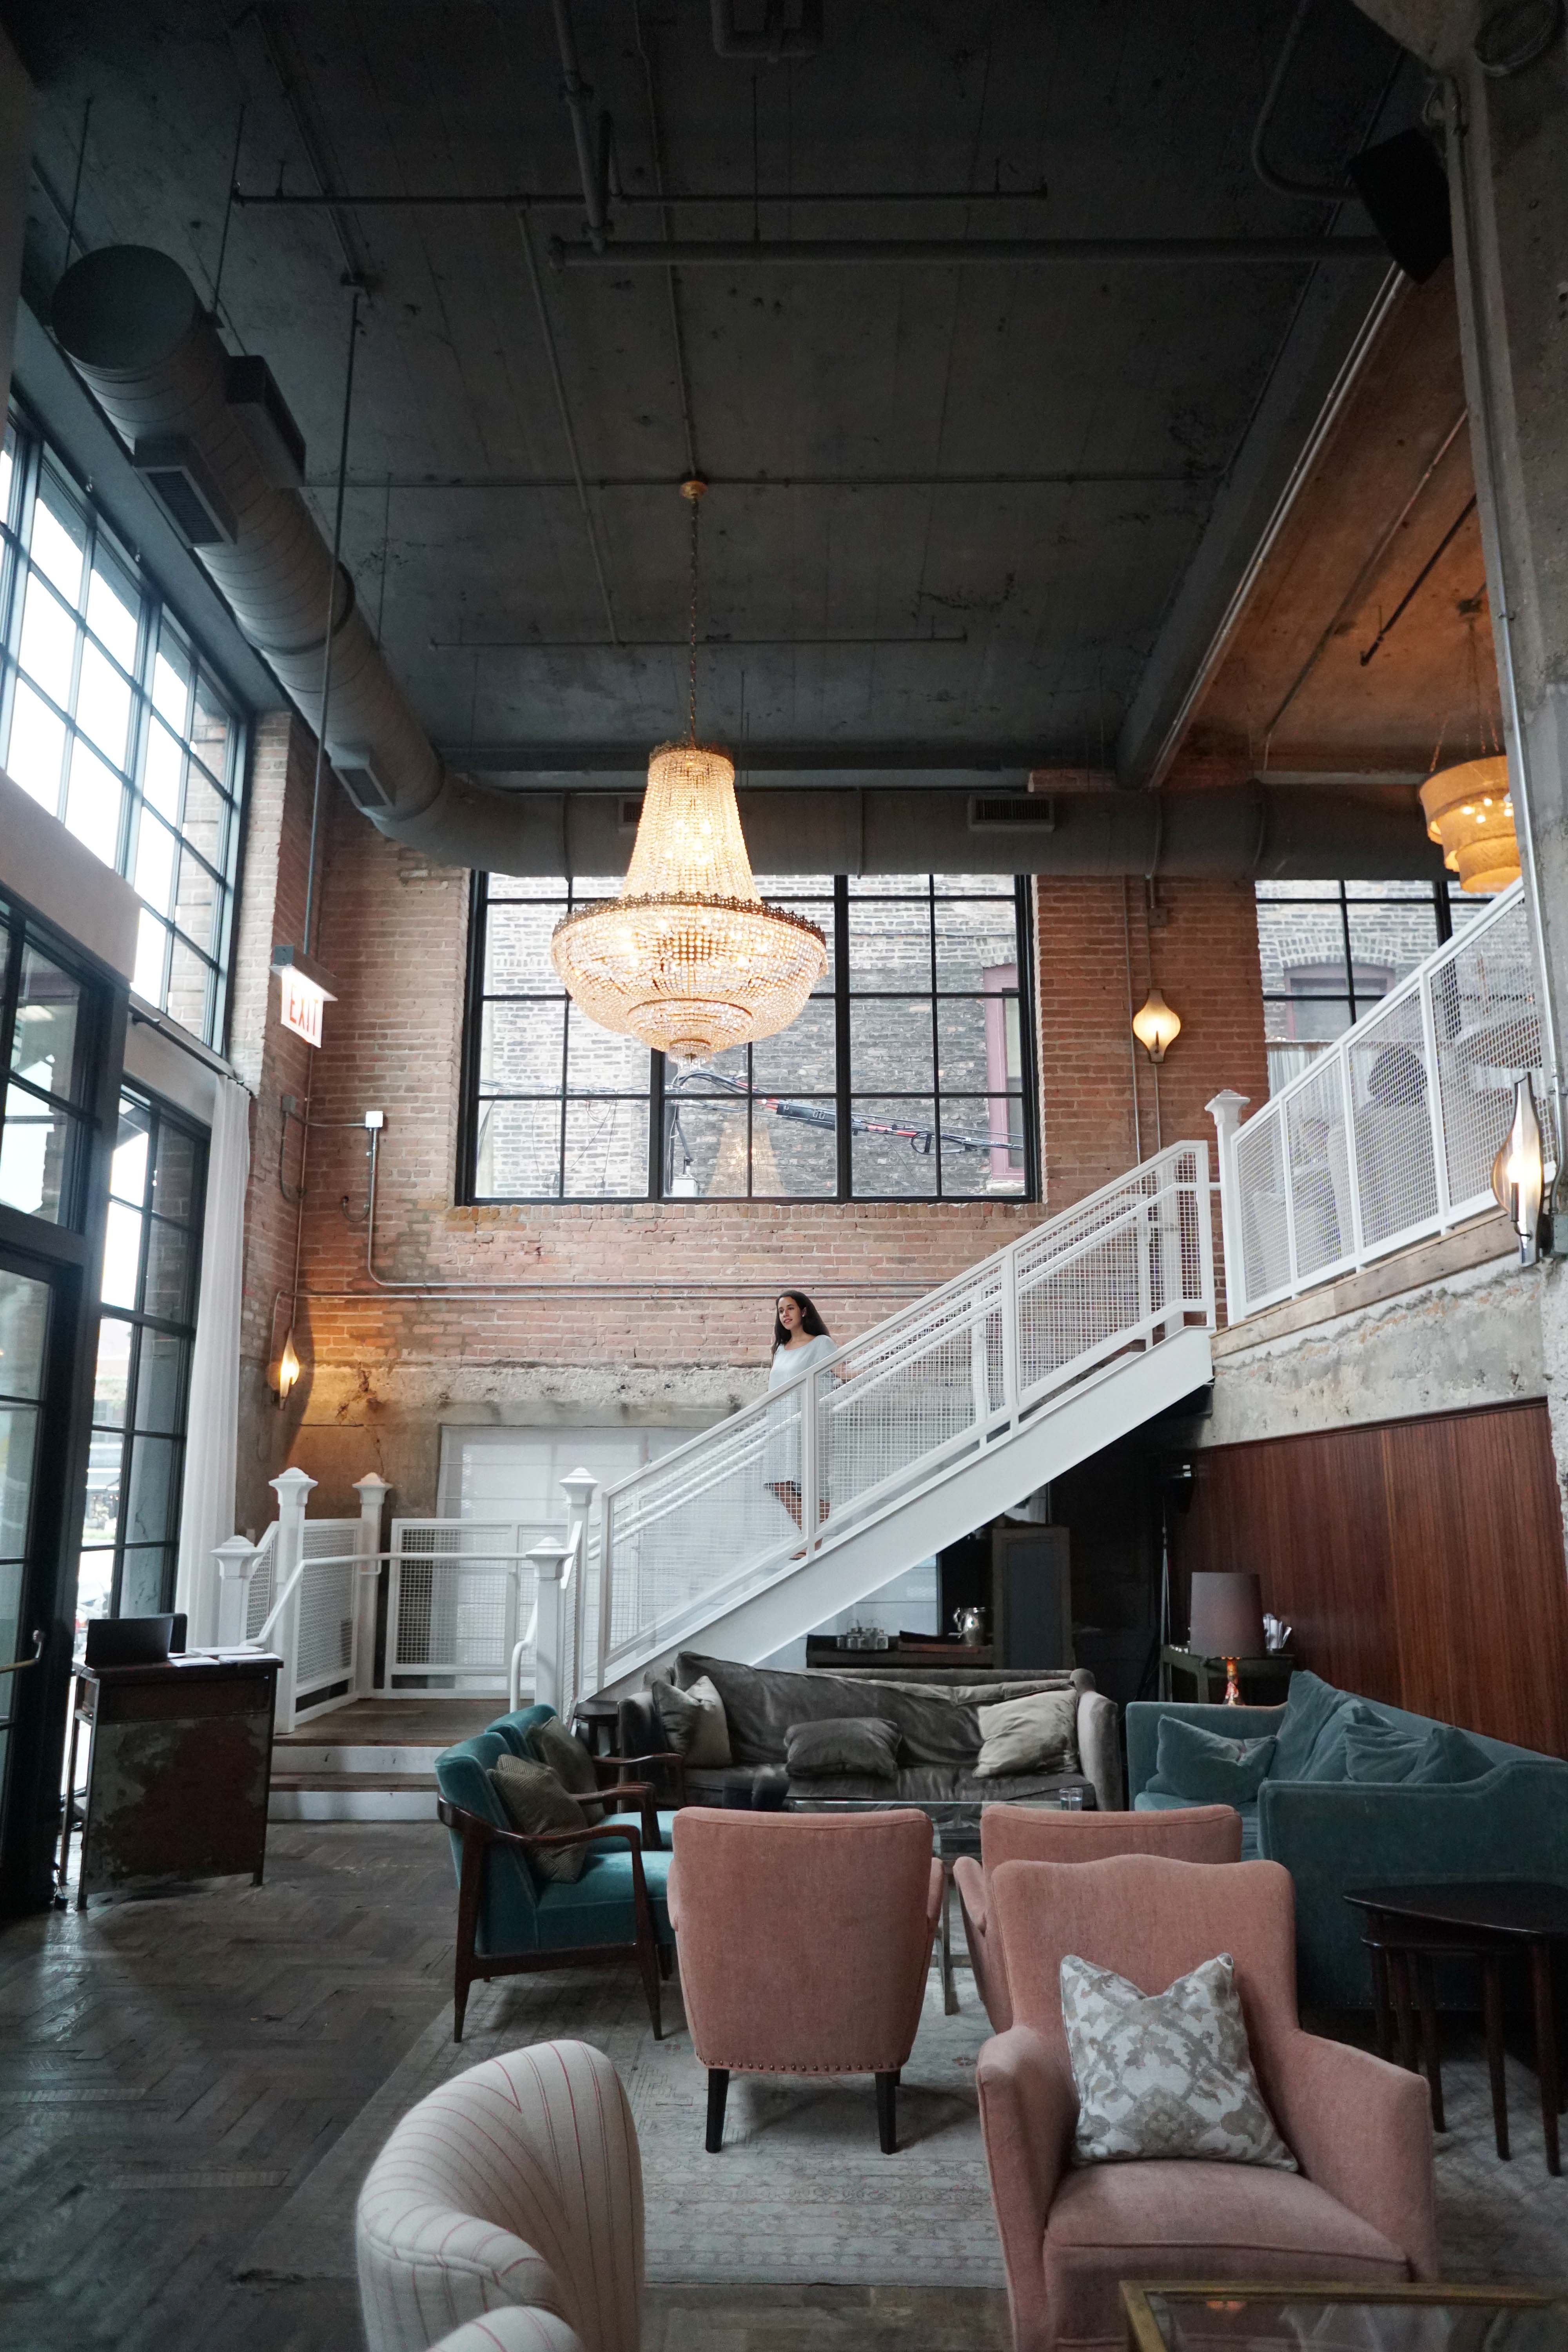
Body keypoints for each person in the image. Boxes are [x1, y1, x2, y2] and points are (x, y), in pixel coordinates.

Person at [764, 1290, 836, 1534]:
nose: (785, 1314)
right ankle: (811, 1538)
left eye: (791, 1308)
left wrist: (870, 1373)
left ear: (804, 1311)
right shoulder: (780, 1349)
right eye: (781, 1311)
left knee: (813, 1482)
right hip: (781, 1425)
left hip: (810, 1422)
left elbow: (839, 1372)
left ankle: (812, 1541)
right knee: (778, 1482)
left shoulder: (821, 1344)